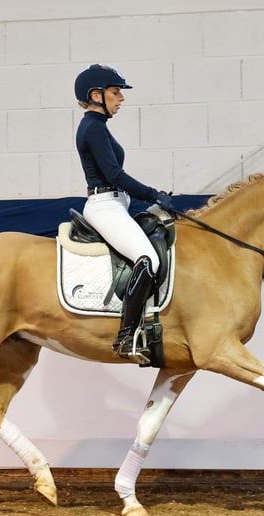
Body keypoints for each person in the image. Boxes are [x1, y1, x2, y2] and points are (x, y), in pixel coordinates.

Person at [74, 64, 174, 364]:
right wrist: (152, 193)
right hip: (104, 205)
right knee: (148, 259)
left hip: (116, 204)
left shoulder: (98, 126)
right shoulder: (92, 127)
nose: (121, 98)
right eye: (115, 92)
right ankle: (127, 337)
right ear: (96, 95)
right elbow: (114, 174)